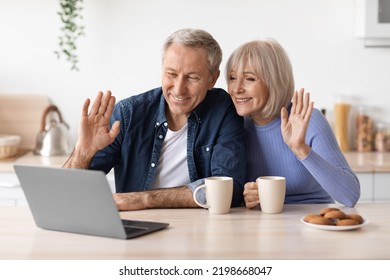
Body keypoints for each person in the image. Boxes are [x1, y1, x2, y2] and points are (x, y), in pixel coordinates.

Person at [63, 28, 246, 211]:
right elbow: (66, 193)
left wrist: (144, 199)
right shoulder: (128, 114)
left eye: (192, 77)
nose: (179, 89)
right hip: (138, 227)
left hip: (197, 230)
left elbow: (229, 189)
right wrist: (83, 152)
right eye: (171, 74)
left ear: (212, 79)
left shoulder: (223, 110)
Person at [225, 39, 360, 208]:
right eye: (232, 78)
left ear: (273, 81)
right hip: (264, 225)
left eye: (249, 79)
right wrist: (247, 197)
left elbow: (350, 195)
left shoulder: (308, 121)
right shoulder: (233, 127)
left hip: (313, 221)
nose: (236, 89)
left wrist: (300, 148)